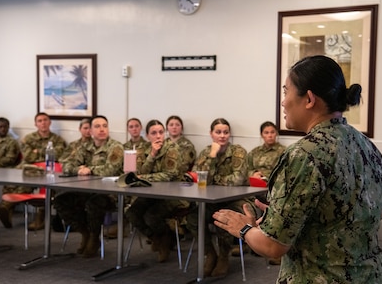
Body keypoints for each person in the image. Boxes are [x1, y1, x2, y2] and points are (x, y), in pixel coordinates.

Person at [212, 55, 382, 283]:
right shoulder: (366, 146)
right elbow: (339, 218)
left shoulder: (305, 154)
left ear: (308, 99)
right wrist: (280, 216)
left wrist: (243, 229)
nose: (283, 102)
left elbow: (273, 246)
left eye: (286, 92)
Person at [186, 117, 259, 278]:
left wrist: (214, 180)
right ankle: (211, 253)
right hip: (212, 200)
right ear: (211, 134)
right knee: (192, 216)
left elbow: (237, 180)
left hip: (238, 200)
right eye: (218, 132)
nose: (222, 136)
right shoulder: (206, 152)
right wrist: (212, 156)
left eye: (225, 132)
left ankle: (223, 256)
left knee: (223, 215)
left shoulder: (238, 151)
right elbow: (201, 179)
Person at [53, 115, 124, 258]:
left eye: (105, 126)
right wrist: (78, 170)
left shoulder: (116, 147)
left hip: (110, 193)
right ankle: (84, 232)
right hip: (85, 191)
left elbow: (110, 170)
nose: (102, 129)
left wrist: (89, 169)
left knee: (93, 203)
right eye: (97, 127)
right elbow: (67, 165)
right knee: (61, 200)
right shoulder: (84, 147)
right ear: (90, 131)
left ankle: (93, 236)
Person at [125, 119, 186, 263]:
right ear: (147, 136)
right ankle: (157, 237)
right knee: (131, 213)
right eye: (154, 133)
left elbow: (169, 175)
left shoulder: (172, 148)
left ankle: (164, 239)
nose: (158, 136)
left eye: (161, 132)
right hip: (151, 194)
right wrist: (152, 155)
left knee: (151, 216)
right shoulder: (142, 149)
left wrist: (144, 177)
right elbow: (138, 172)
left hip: (173, 195)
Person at [238, 121, 286, 263]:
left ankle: (276, 250)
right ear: (261, 135)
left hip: (274, 190)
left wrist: (267, 176)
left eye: (272, 132)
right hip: (254, 188)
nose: (270, 135)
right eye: (266, 133)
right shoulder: (255, 152)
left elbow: (285, 172)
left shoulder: (283, 151)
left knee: (271, 207)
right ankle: (250, 242)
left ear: (276, 134)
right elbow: (247, 169)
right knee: (244, 204)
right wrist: (254, 175)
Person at [15, 112, 67, 230]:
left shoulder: (57, 139)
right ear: (35, 124)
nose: (43, 123)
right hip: (31, 170)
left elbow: (58, 155)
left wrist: (37, 152)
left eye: (45, 120)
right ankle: (6, 208)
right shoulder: (28, 138)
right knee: (18, 182)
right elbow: (28, 156)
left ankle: (41, 215)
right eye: (40, 121)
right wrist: (45, 154)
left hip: (49, 171)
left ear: (50, 122)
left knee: (51, 183)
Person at [0, 117, 21, 228]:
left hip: (7, 172)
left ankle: (2, 209)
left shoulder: (12, 142)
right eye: (0, 127)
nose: (3, 129)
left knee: (11, 189)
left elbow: (9, 159)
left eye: (6, 127)